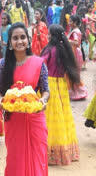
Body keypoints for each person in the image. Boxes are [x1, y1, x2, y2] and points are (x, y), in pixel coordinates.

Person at [0, 22, 49, 176]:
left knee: (38, 158)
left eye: (23, 37)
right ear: (10, 42)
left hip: (35, 118)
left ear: (28, 39)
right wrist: (0, 101)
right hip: (13, 120)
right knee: (15, 160)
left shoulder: (39, 63)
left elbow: (45, 90)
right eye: (15, 38)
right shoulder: (2, 65)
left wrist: (43, 101)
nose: (19, 41)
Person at [41, 24, 80, 165]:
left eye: (49, 33)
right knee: (62, 116)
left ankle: (51, 152)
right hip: (61, 85)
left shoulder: (50, 50)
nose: (47, 35)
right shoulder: (64, 49)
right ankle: (64, 149)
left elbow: (41, 65)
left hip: (50, 84)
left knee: (50, 117)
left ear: (52, 35)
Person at [67, 15, 88, 100]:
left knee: (74, 73)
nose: (69, 23)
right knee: (75, 73)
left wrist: (67, 40)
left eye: (70, 21)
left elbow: (76, 43)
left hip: (75, 53)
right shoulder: (77, 30)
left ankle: (78, 93)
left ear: (75, 23)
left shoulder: (75, 31)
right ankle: (77, 92)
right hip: (77, 52)